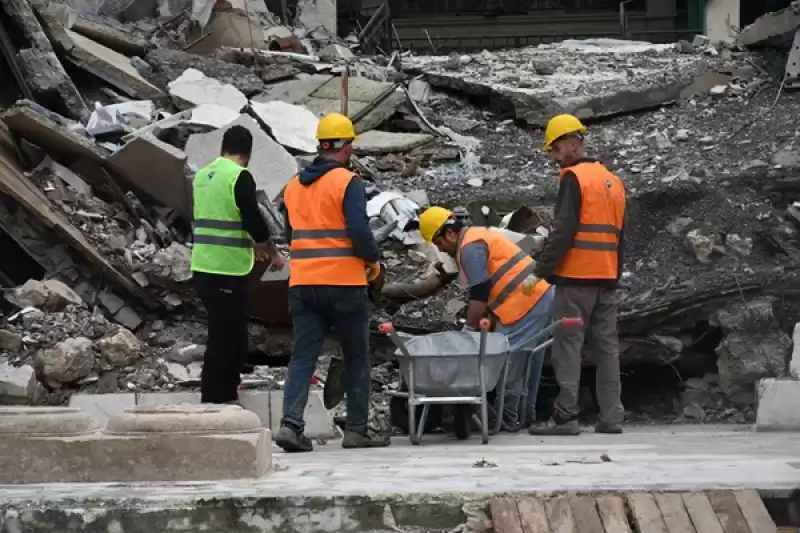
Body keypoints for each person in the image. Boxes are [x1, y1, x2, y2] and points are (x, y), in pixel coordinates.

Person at [276, 113, 390, 452]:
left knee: (303, 357)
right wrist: (373, 261)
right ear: (347, 145)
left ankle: (291, 425)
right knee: (356, 356)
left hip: (303, 283)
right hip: (344, 282)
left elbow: (289, 234)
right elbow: (358, 231)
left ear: (321, 145)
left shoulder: (294, 185)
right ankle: (356, 430)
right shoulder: (347, 181)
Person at [527, 114, 626, 436]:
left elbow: (563, 231)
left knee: (567, 348)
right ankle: (612, 418)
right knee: (607, 349)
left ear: (572, 144)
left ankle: (566, 417)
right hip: (607, 280)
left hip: (576, 279)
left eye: (556, 150)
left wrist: (541, 271)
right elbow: (620, 236)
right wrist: (614, 275)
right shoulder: (612, 180)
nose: (554, 158)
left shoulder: (574, 178)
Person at [418, 207, 554, 429]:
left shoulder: (470, 247)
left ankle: (509, 418)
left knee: (509, 360)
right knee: (529, 361)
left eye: (439, 243)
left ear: (450, 233)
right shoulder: (478, 235)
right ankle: (525, 416)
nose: (441, 250)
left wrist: (470, 330)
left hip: (526, 302)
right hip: (537, 295)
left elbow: (480, 291)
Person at [191, 125, 285, 404]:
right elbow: (254, 222)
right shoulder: (239, 177)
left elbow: (219, 220)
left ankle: (216, 394)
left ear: (222, 148)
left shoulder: (202, 176)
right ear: (249, 153)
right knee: (230, 339)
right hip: (227, 270)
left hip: (203, 265)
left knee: (221, 334)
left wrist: (249, 246)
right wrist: (273, 252)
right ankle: (219, 398)